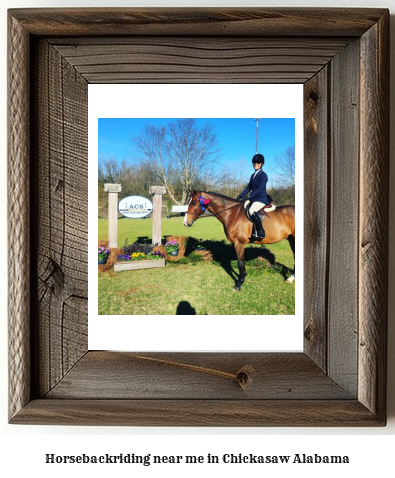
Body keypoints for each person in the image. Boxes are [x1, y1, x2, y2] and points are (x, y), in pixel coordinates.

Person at [236, 153, 269, 240]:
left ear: (261, 164)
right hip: (254, 199)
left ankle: (261, 231)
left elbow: (261, 189)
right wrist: (240, 196)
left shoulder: (263, 175)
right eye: (254, 162)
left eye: (258, 162)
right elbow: (248, 188)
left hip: (261, 199)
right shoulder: (253, 175)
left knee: (251, 210)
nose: (255, 164)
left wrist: (249, 196)